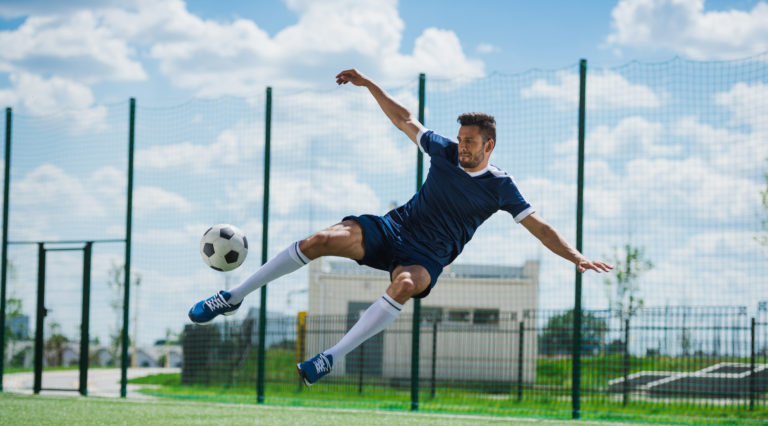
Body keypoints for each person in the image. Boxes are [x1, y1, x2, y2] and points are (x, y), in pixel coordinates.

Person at [189, 68, 613, 386]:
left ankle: (329, 359)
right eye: (460, 138)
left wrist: (575, 256)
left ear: (489, 145)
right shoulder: (444, 151)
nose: (461, 145)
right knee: (319, 240)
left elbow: (539, 227)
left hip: (427, 256)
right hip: (394, 228)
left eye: (469, 142)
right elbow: (405, 119)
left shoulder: (502, 187)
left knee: (405, 284)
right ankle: (232, 296)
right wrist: (369, 83)